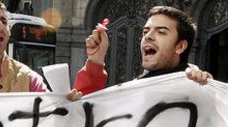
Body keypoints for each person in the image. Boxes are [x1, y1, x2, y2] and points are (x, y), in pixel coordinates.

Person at [74, 6, 212, 95]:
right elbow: (89, 116)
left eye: (161, 32)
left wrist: (208, 91)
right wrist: (95, 61)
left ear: (180, 46)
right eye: (145, 31)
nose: (148, 37)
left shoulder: (197, 87)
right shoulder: (132, 90)